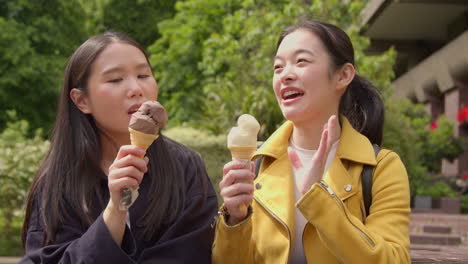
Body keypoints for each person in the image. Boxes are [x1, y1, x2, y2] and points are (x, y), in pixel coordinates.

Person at [212, 20, 410, 263]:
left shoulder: (381, 167)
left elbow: (395, 259)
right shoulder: (256, 165)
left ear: (343, 75)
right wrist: (235, 219)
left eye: (301, 61)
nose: (285, 75)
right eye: (277, 67)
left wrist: (319, 201)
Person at [20, 31, 218, 264]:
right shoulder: (58, 181)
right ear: (82, 101)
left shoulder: (185, 167)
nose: (136, 89)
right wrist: (116, 210)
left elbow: (193, 254)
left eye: (144, 75)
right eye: (115, 79)